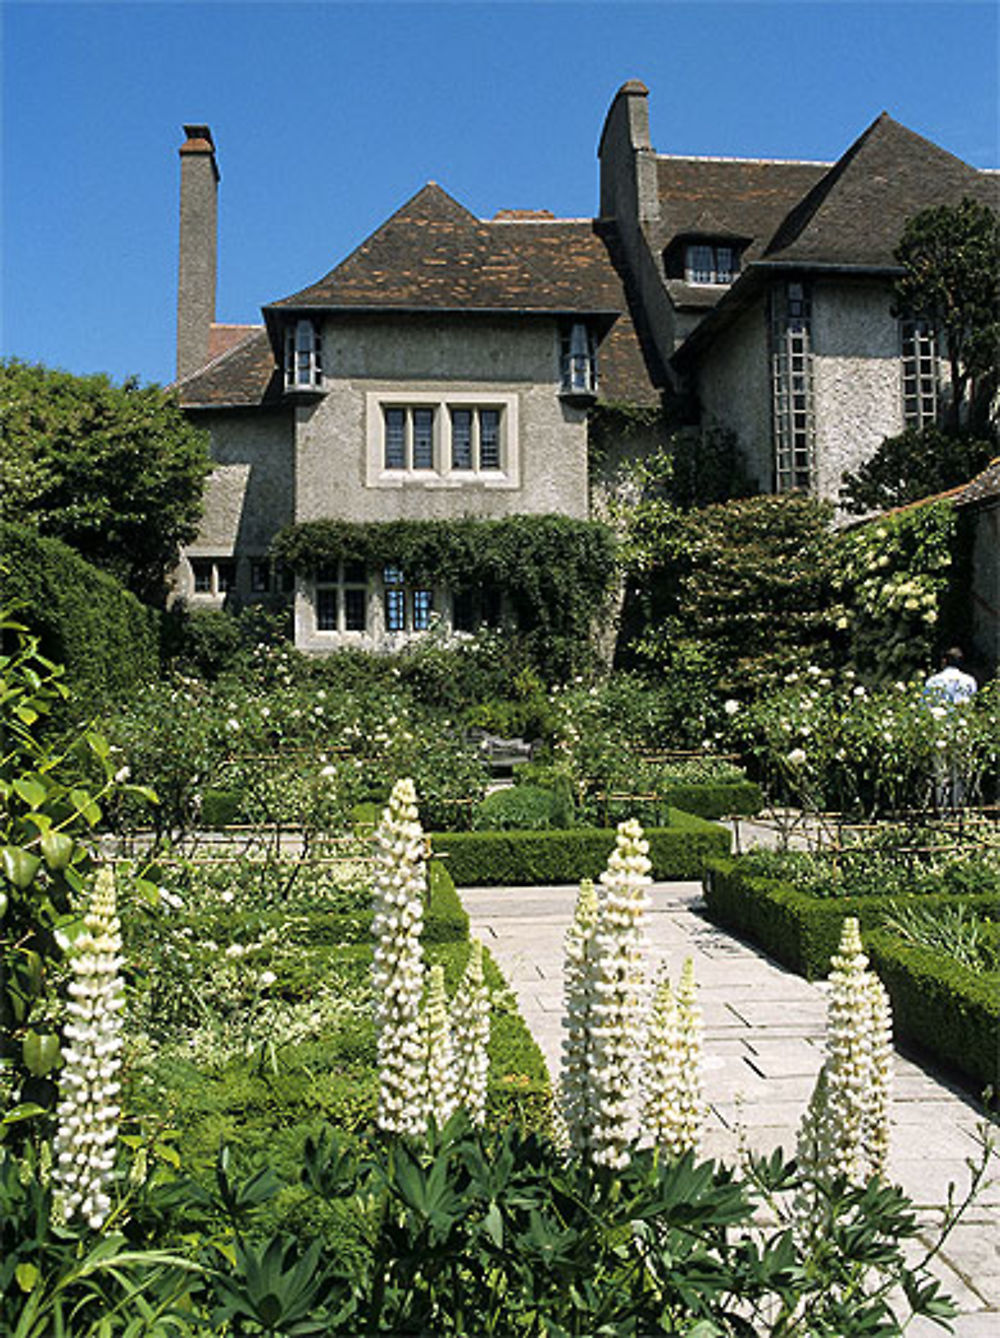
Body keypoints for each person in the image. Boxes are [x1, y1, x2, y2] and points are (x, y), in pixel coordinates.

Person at [924, 648, 977, 810]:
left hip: (940, 729)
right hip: (962, 729)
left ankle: (943, 810)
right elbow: (971, 706)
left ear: (944, 661)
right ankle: (959, 809)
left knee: (941, 772)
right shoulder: (969, 681)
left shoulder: (933, 682)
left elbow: (926, 707)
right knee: (960, 772)